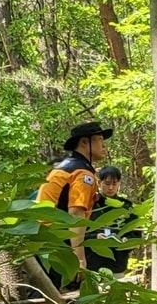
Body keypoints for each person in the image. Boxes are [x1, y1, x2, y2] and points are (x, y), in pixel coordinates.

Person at [35, 120, 112, 286]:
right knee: (49, 292)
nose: (104, 145)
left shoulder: (66, 168)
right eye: (99, 140)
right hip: (54, 241)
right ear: (84, 142)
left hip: (40, 236)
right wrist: (79, 258)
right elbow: (76, 214)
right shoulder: (82, 173)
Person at [86, 165, 139, 275]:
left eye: (114, 184)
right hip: (92, 263)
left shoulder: (126, 206)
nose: (110, 188)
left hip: (117, 263)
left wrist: (127, 240)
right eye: (107, 183)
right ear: (99, 183)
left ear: (119, 184)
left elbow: (136, 233)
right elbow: (78, 233)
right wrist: (95, 237)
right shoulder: (90, 205)